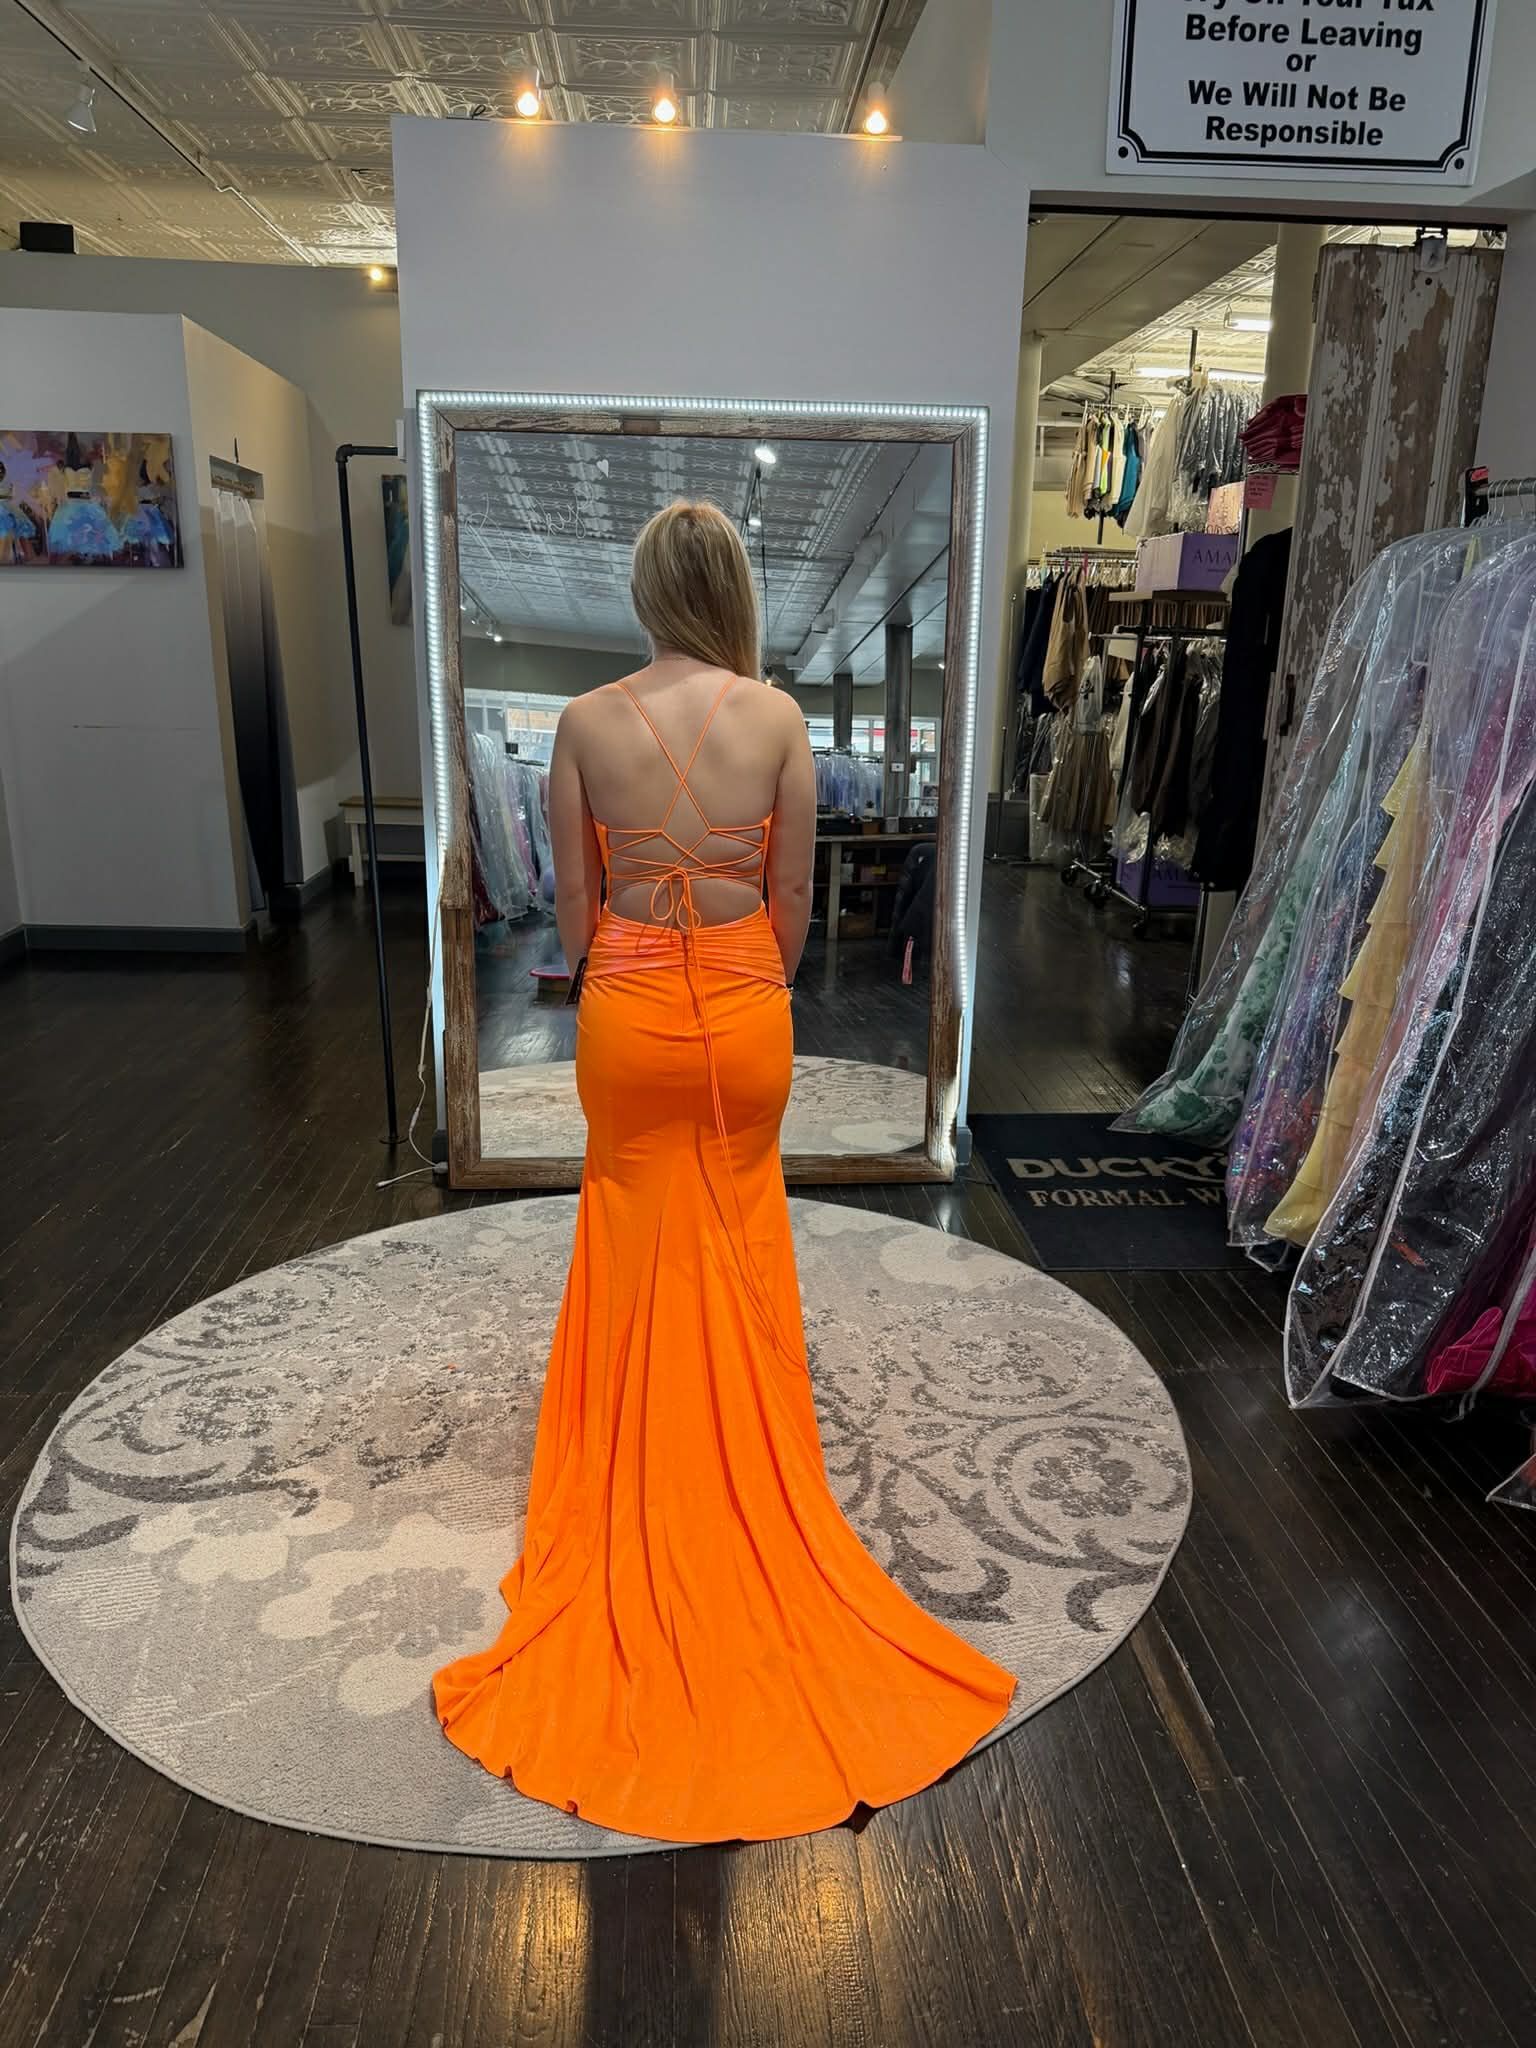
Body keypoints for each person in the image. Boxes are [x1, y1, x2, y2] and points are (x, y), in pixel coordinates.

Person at [431, 499, 1015, 1843]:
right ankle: (739, 1446)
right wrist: (745, 978)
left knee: (631, 1229)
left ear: (646, 593)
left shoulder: (582, 724)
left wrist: (636, 971)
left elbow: (573, 916)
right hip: (744, 1015)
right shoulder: (777, 722)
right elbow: (797, 905)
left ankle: (641, 1449)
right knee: (741, 1233)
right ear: (734, 589)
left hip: (631, 1017)